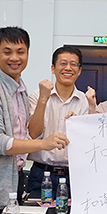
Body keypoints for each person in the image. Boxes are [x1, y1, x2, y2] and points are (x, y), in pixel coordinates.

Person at [0, 26, 68, 214]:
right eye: (7, 52)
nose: (14, 58)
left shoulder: (19, 88)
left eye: (20, 52)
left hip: (14, 180)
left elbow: (29, 133)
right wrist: (44, 144)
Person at [26, 46, 90, 198]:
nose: (68, 68)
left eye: (73, 64)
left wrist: (79, 126)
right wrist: (43, 100)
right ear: (53, 68)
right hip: (41, 173)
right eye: (63, 63)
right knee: (37, 213)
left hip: (73, 175)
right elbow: (33, 134)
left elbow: (87, 144)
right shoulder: (37, 95)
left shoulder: (85, 101)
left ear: (79, 71)